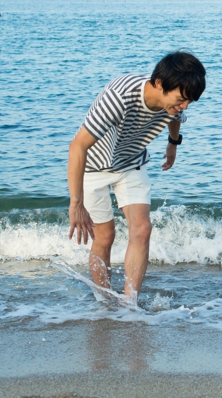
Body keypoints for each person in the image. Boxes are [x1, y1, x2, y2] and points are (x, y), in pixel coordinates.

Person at [67, 51, 206, 303]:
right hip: (94, 166)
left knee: (142, 229)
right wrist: (75, 203)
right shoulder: (119, 97)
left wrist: (173, 143)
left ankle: (128, 306)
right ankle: (104, 302)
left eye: (190, 101)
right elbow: (77, 146)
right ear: (160, 84)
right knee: (105, 235)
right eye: (182, 99)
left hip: (131, 162)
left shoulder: (172, 101)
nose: (184, 106)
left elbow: (176, 117)